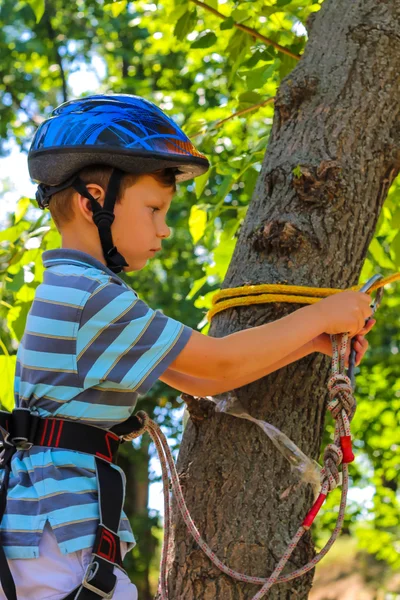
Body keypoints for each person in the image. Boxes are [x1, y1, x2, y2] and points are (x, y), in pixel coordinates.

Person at [0, 94, 375, 600]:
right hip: (55, 541)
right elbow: (217, 362)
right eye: (153, 209)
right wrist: (325, 312)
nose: (163, 228)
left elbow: (203, 379)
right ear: (94, 201)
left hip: (51, 533)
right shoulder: (92, 297)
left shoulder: (74, 288)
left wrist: (312, 341)